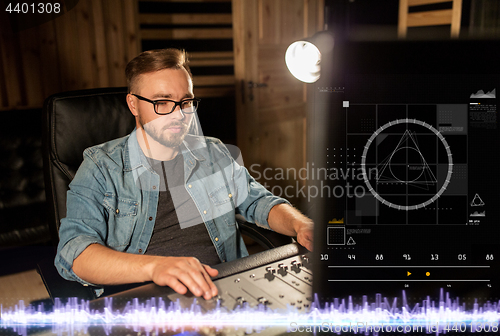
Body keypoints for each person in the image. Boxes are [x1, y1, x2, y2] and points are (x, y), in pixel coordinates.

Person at [55, 48, 313, 300]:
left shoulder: (213, 152)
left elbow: (259, 202)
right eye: (162, 102)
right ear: (133, 105)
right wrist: (155, 267)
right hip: (146, 300)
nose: (179, 114)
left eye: (186, 102)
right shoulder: (101, 165)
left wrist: (300, 225)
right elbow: (74, 253)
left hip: (224, 286)